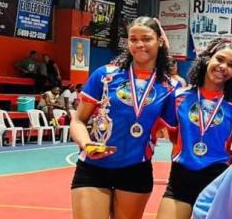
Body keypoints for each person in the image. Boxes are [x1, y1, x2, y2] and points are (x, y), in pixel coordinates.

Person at [70, 16, 177, 219]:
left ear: (160, 41)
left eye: (146, 39)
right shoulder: (105, 75)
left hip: (135, 170)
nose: (139, 44)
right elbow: (78, 120)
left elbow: (175, 134)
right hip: (93, 166)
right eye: (133, 39)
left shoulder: (170, 87)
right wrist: (86, 143)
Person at [156, 38, 232, 219]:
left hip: (217, 180)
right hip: (181, 177)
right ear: (207, 59)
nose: (223, 67)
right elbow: (173, 135)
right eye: (220, 59)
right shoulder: (179, 97)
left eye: (231, 65)